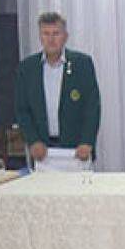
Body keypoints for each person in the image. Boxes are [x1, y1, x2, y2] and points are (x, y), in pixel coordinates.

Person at [14, 11, 101, 164]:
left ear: (65, 36)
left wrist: (87, 141)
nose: (51, 39)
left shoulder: (82, 64)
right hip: (42, 151)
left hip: (77, 150)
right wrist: (33, 140)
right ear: (40, 37)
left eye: (56, 33)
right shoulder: (27, 68)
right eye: (46, 34)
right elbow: (22, 110)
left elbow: (92, 106)